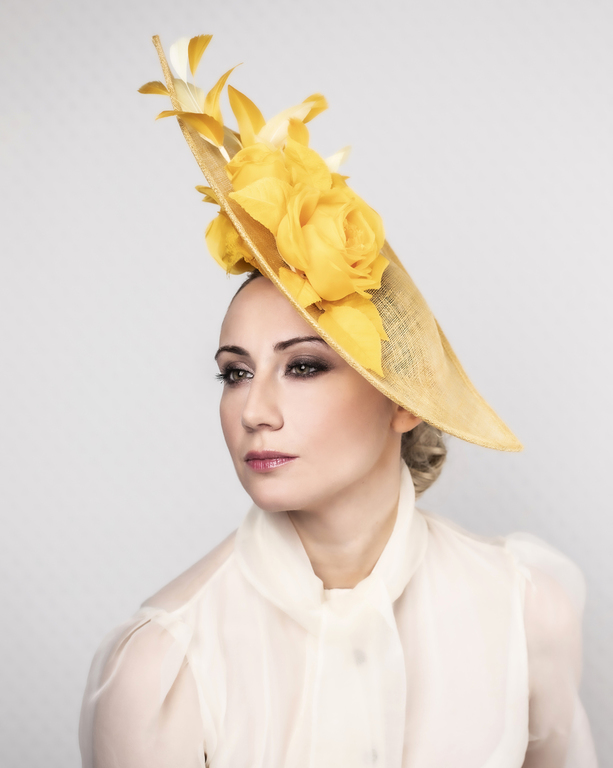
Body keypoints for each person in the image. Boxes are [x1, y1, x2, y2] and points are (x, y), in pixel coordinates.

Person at [79, 34, 598, 767]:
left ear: (402, 399)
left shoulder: (524, 612)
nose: (254, 410)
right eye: (234, 373)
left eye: (303, 367)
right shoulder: (163, 668)